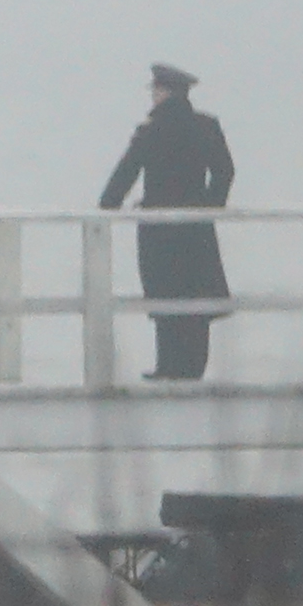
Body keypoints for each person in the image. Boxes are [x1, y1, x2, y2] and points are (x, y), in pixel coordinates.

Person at [100, 63, 236, 381]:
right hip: (196, 227)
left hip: (159, 228)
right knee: (196, 295)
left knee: (165, 294)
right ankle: (193, 368)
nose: (154, 95)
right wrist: (209, 207)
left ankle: (168, 367)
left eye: (156, 90)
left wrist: (107, 208)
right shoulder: (206, 125)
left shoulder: (152, 128)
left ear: (165, 92)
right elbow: (225, 171)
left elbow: (126, 172)